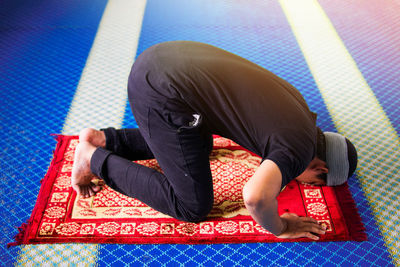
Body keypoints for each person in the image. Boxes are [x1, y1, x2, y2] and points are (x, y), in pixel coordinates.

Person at [71, 41, 357, 240]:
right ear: (321, 169)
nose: (302, 181)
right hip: (159, 91)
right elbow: (256, 198)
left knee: (202, 144)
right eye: (314, 182)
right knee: (192, 204)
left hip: (165, 56)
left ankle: (107, 140)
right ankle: (92, 158)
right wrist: (280, 226)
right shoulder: (299, 150)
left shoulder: (301, 109)